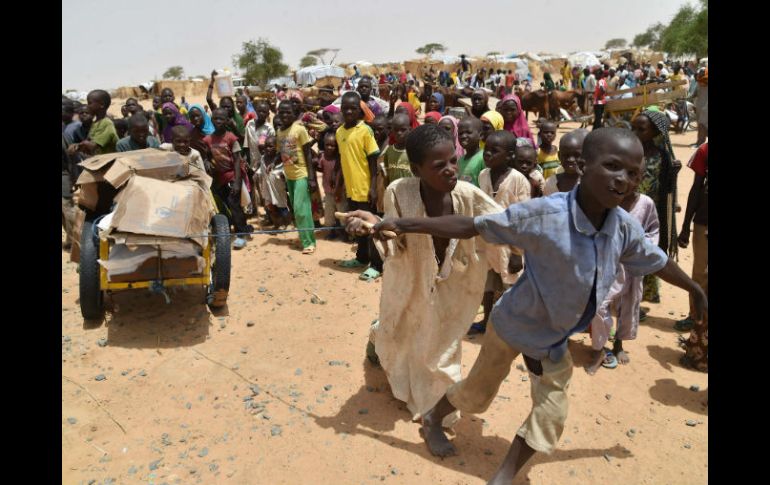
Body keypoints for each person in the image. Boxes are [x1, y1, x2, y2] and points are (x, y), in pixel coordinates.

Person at [359, 127, 707, 484]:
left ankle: (505, 474)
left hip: (552, 340)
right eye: (613, 166)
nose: (623, 181)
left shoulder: (622, 229)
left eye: (633, 173)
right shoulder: (545, 215)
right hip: (512, 325)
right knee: (476, 394)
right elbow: (472, 226)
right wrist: (402, 223)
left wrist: (693, 287)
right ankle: (433, 418)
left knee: (551, 410)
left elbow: (656, 260)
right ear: (585, 165)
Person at [342, 123, 504, 430]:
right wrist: (373, 224)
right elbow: (394, 242)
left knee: (442, 348)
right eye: (438, 165)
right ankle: (379, 343)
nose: (450, 170)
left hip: (458, 282)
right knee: (402, 329)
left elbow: (504, 224)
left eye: (453, 161)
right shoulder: (398, 192)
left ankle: (437, 410)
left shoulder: (469, 195)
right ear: (416, 169)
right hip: (411, 278)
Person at [585, 158, 659, 374]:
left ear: (641, 179)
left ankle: (618, 344)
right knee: (600, 305)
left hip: (633, 266)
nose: (627, 180)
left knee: (628, 306)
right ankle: (599, 347)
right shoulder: (607, 200)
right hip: (606, 263)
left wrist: (642, 251)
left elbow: (653, 230)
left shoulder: (646, 204)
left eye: (634, 175)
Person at [469, 130, 530, 335]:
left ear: (511, 156)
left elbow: (523, 220)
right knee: (487, 286)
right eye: (486, 150)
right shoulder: (483, 175)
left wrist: (517, 253)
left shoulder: (518, 180)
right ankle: (486, 320)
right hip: (487, 242)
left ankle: (511, 329)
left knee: (509, 288)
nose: (488, 155)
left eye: (495, 151)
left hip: (509, 244)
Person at [632, 110, 681, 303]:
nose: (635, 133)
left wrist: (674, 172)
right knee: (632, 250)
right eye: (633, 128)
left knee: (652, 249)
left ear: (655, 132)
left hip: (652, 214)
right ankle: (630, 296)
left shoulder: (662, 156)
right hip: (631, 211)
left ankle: (649, 292)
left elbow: (668, 188)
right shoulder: (630, 152)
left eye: (641, 129)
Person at [336, 92, 383, 280]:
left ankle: (377, 264)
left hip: (365, 190)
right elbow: (343, 161)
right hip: (351, 189)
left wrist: (372, 187)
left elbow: (373, 161)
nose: (348, 111)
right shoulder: (339, 132)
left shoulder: (365, 131)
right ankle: (361, 258)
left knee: (371, 227)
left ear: (360, 110)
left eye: (353, 108)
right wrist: (339, 185)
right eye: (345, 108)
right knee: (357, 227)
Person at [204, 107, 252, 249]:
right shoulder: (208, 139)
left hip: (232, 175)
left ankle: (241, 234)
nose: (218, 121)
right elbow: (206, 156)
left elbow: (237, 160)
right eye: (215, 118)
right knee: (225, 204)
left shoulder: (231, 138)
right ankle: (238, 226)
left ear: (226, 121)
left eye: (221, 119)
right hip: (219, 178)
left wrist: (237, 182)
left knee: (234, 203)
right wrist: (207, 162)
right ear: (211, 119)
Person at [276, 100, 318, 254]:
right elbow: (280, 152)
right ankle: (304, 238)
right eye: (282, 112)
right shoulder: (279, 131)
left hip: (302, 174)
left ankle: (309, 242)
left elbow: (307, 153)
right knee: (297, 209)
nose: (285, 115)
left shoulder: (299, 129)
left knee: (302, 210)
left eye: (288, 112)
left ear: (294, 114)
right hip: (289, 176)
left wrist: (312, 178)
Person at [675, 142, 708, 332]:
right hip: (704, 220)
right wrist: (686, 226)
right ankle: (696, 316)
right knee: (700, 273)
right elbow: (696, 188)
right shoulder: (705, 151)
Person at [69, 89, 119, 157]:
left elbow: (92, 146)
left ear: (101, 105)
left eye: (90, 103)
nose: (88, 105)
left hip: (109, 160)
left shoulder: (106, 123)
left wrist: (78, 145)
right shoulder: (96, 123)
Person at [316, 132, 347, 240]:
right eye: (327, 145)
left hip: (340, 191)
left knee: (342, 213)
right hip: (328, 192)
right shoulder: (323, 157)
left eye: (332, 145)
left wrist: (339, 190)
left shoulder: (340, 158)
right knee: (329, 214)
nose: (329, 147)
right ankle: (331, 232)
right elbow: (319, 168)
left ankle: (345, 234)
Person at [543, 129, 588, 196]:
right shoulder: (551, 183)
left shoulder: (589, 184)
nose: (571, 159)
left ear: (584, 156)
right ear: (559, 156)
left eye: (576, 155)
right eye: (566, 155)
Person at [456, 116, 486, 187]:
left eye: (468, 132)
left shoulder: (483, 158)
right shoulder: (460, 160)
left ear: (481, 135)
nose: (463, 136)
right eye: (460, 133)